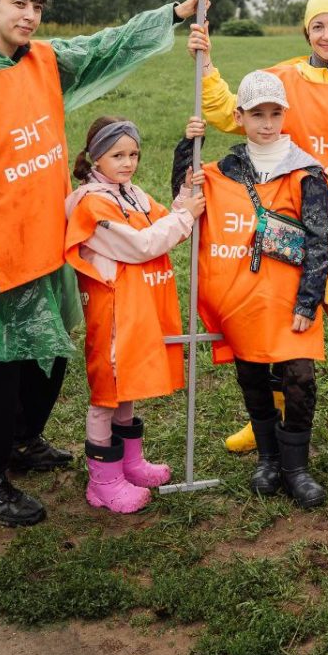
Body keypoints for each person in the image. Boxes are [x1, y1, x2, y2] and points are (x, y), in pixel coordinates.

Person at [0, 0, 200, 526]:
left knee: (44, 354)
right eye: (17, 3)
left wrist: (170, 15)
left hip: (45, 238)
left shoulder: (43, 60)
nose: (29, 16)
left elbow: (101, 47)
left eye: (37, 6)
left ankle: (24, 441)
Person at [187, 0, 328, 450]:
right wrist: (206, 64)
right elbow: (229, 113)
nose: (327, 34)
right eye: (318, 25)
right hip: (296, 224)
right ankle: (269, 419)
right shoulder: (283, 80)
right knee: (278, 322)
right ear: (306, 30)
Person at [173, 70, 328, 507]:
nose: (266, 123)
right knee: (251, 375)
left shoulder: (306, 172)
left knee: (299, 377)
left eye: (274, 113)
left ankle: (295, 467)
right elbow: (184, 200)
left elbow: (322, 239)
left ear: (285, 114)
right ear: (239, 116)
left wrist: (309, 298)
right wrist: (186, 148)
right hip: (239, 298)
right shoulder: (223, 168)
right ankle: (267, 458)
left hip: (288, 300)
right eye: (256, 114)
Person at [65, 116, 205, 513]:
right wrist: (186, 215)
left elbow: (164, 220)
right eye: (117, 155)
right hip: (111, 314)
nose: (127, 163)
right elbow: (143, 244)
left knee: (126, 385)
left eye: (133, 154)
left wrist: (183, 199)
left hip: (136, 308)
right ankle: (104, 482)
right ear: (96, 157)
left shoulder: (132, 193)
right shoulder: (92, 204)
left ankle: (129, 464)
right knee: (107, 393)